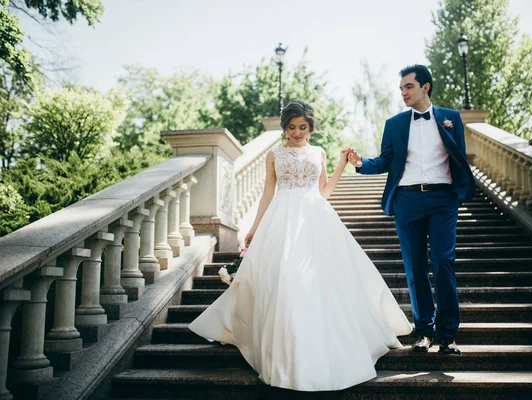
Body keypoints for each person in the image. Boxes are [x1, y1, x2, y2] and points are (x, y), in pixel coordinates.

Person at [189, 100, 412, 391]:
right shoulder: (274, 155)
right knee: (286, 279)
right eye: (292, 127)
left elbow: (324, 192)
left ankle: (318, 347)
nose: (297, 132)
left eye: (302, 127)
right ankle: (285, 352)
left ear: (311, 127)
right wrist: (254, 229)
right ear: (285, 128)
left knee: (321, 280)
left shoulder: (317, 152)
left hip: (315, 219)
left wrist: (341, 164)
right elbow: (268, 194)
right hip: (281, 220)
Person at [347, 64, 476, 356]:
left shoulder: (451, 119)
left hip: (443, 199)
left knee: (443, 262)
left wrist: (456, 195)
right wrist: (360, 163)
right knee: (415, 267)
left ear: (425, 87)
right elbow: (384, 161)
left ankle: (447, 335)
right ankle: (424, 333)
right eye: (401, 88)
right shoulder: (394, 124)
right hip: (407, 200)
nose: (403, 92)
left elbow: (459, 158)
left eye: (409, 86)